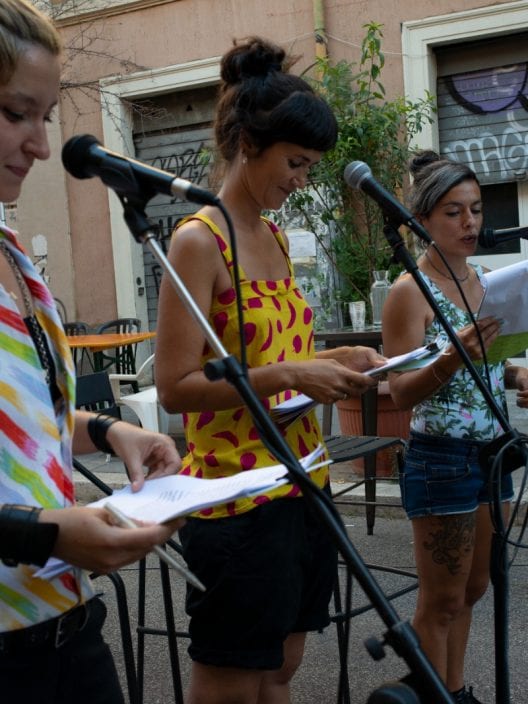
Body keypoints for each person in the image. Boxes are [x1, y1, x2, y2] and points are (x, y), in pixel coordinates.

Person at [155, 35, 386, 704]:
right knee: (233, 678)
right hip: (235, 498)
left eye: (311, 167)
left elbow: (276, 354)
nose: (301, 180)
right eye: (295, 162)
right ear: (250, 144)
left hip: (301, 482)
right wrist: (291, 376)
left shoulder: (276, 236)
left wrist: (333, 360)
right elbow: (175, 389)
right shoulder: (199, 240)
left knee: (281, 667)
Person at [0, 1, 184, 701]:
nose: (42, 147)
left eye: (46, 117)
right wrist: (46, 535)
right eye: (18, 113)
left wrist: (113, 430)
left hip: (68, 627)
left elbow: (27, 423)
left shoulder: (11, 250)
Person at [382, 150, 528, 704]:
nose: (470, 223)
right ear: (423, 220)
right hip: (440, 457)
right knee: (439, 600)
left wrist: (517, 375)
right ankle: (431, 695)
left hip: (494, 452)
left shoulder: (491, 282)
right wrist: (448, 358)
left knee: (473, 587)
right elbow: (400, 392)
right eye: (453, 212)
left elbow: (493, 364)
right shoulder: (409, 292)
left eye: (475, 210)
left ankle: (455, 690)